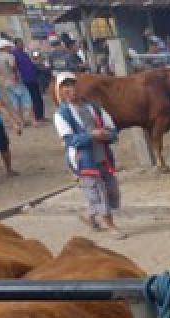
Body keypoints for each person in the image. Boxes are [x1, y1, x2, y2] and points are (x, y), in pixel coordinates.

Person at [53, 72, 124, 236]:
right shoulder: (61, 114)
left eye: (73, 85)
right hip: (83, 158)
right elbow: (70, 140)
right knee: (98, 191)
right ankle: (110, 225)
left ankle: (89, 215)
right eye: (66, 87)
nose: (71, 90)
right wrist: (91, 135)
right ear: (60, 91)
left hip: (103, 154)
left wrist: (108, 135)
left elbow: (112, 128)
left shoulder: (94, 107)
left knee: (112, 190)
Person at [0, 39, 30, 126]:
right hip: (14, 80)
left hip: (4, 81)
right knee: (27, 99)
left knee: (14, 102)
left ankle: (21, 121)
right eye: (9, 47)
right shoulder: (9, 56)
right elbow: (13, 67)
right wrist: (15, 75)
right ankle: (32, 121)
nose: (10, 48)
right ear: (5, 47)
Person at [11, 40, 41, 124]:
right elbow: (14, 68)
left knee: (37, 97)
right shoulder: (14, 54)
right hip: (24, 80)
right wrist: (17, 77)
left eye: (22, 43)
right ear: (16, 44)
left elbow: (32, 62)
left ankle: (40, 116)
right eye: (20, 43)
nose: (22, 45)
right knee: (30, 99)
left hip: (33, 78)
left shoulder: (24, 53)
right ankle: (34, 118)